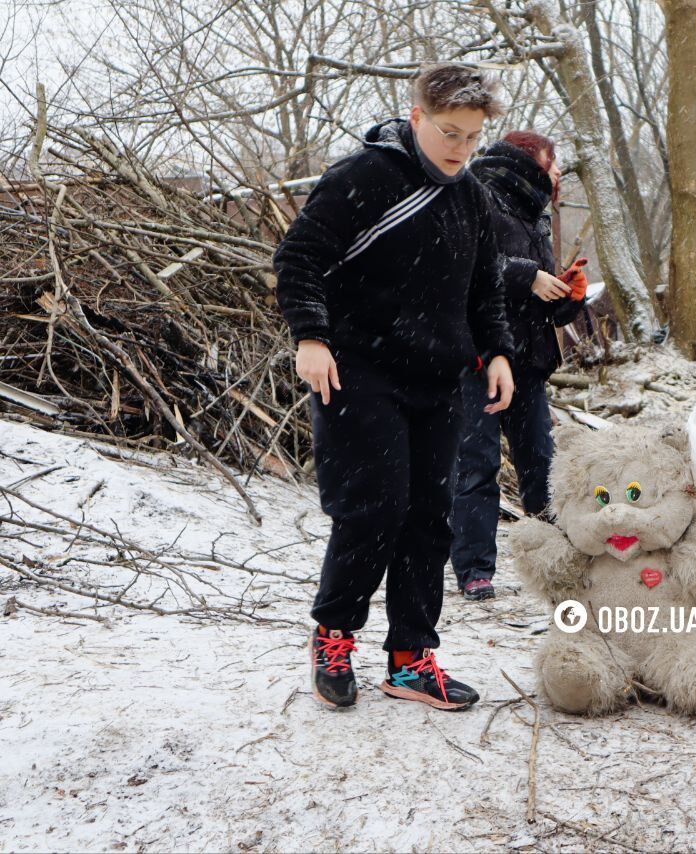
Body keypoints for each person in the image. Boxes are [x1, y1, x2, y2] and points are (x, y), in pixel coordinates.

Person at [274, 63, 516, 712]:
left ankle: (411, 659)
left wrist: (497, 351)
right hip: (360, 371)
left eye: (472, 136)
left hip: (438, 381)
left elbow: (484, 289)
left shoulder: (472, 198)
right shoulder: (363, 178)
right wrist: (311, 336)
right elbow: (300, 257)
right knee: (372, 511)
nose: (460, 149)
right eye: (449, 132)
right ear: (416, 118)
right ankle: (334, 635)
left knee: (427, 521)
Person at [449, 131, 586, 601]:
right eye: (553, 161)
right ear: (528, 163)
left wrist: (569, 294)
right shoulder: (476, 197)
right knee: (477, 466)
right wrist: (528, 277)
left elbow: (545, 304)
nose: (559, 171)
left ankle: (551, 561)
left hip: (529, 362)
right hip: (479, 359)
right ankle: (473, 570)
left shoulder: (536, 215)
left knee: (542, 466)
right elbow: (465, 267)